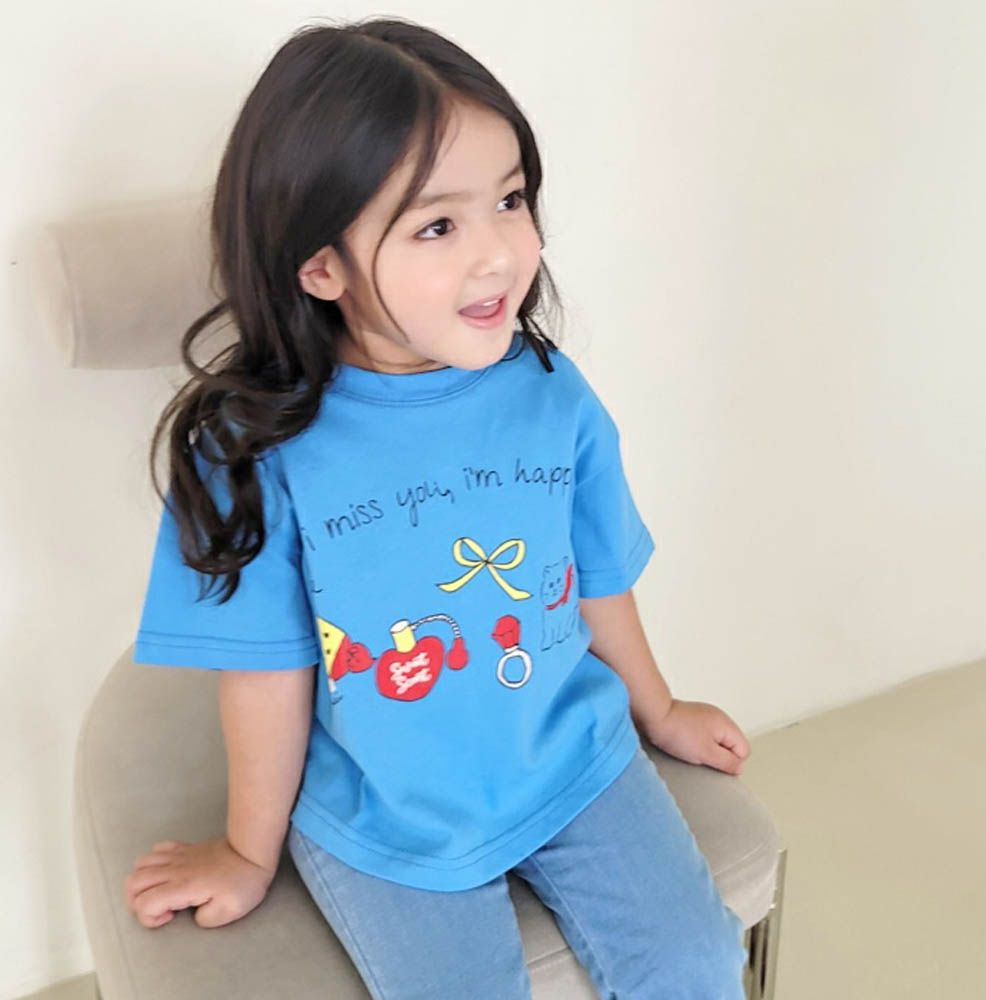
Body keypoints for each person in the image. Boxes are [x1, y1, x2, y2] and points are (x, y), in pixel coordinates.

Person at [122, 16, 752, 999]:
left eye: (510, 200)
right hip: (387, 814)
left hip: (571, 757)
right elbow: (266, 672)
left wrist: (657, 709)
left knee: (699, 965)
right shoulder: (252, 450)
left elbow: (594, 575)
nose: (499, 253)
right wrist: (247, 851)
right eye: (437, 226)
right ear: (320, 265)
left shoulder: (551, 394)